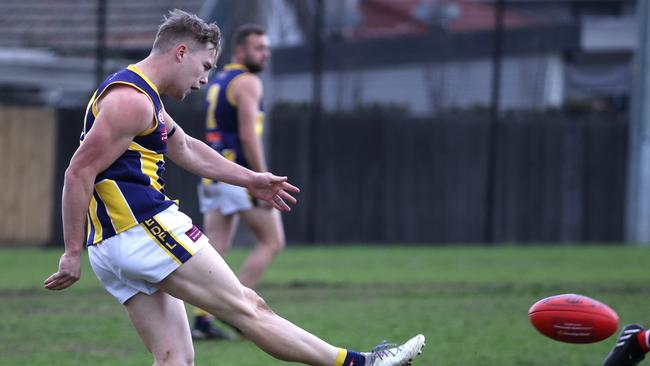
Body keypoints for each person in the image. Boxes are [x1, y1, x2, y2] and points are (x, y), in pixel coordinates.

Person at [43, 9, 425, 366]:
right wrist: (70, 252)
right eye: (205, 66)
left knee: (175, 357)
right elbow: (77, 172)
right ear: (181, 52)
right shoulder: (132, 101)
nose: (205, 79)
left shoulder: (141, 96)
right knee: (249, 308)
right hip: (141, 228)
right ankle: (363, 363)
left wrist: (251, 178)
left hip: (114, 245)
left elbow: (188, 148)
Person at [192, 24, 283, 341]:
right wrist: (262, 178)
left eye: (266, 47)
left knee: (214, 250)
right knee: (272, 241)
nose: (265, 53)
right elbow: (248, 135)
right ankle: (238, 311)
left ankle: (202, 321)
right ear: (240, 51)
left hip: (213, 170)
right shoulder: (248, 82)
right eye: (258, 47)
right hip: (237, 172)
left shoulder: (219, 80)